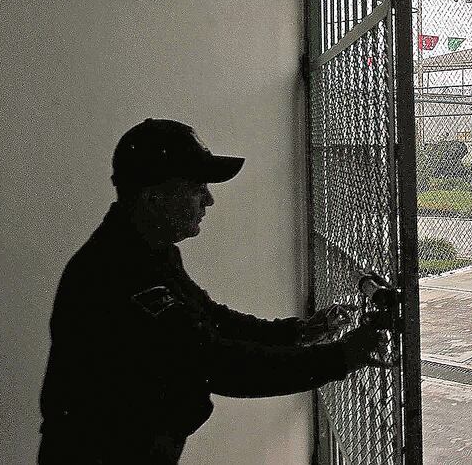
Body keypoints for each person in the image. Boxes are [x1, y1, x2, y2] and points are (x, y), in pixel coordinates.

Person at [38, 118, 390, 464]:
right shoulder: (119, 272)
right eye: (195, 187)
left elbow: (210, 319)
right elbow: (215, 362)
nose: (208, 200)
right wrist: (342, 356)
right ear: (154, 198)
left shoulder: (149, 251)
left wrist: (299, 332)